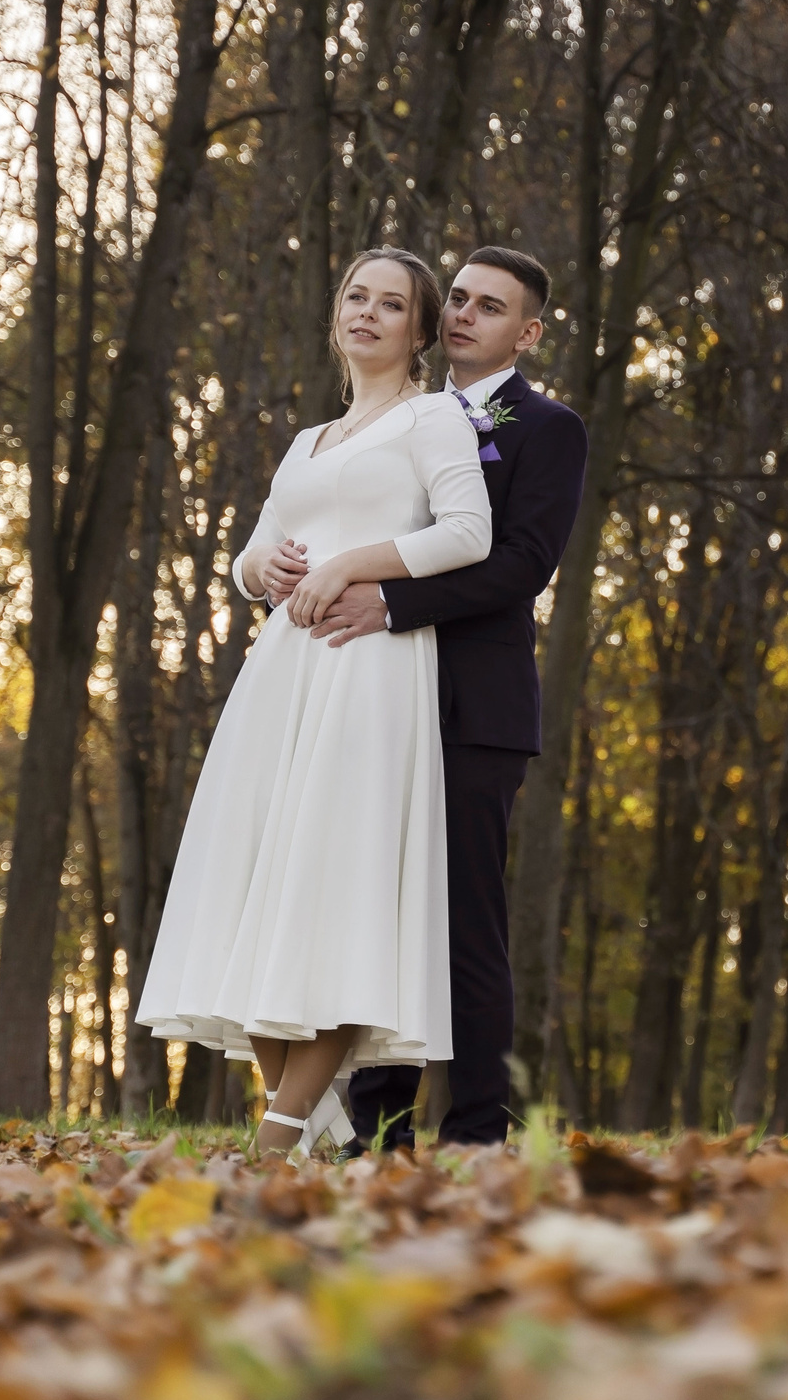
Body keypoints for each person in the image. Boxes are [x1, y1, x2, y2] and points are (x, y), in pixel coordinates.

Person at [134, 249, 492, 1157]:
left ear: (419, 330)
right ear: (337, 315)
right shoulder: (308, 443)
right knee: (257, 884)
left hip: (368, 667)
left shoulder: (433, 419)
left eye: (392, 303)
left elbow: (469, 532)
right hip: (284, 672)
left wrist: (345, 563)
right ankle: (315, 1126)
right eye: (355, 297)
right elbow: (250, 557)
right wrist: (269, 568)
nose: (368, 313)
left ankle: (281, 1136)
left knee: (341, 887)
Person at [309, 247, 588, 1149]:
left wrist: (389, 603)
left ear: (528, 332)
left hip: (474, 706)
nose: (466, 314)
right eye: (458, 298)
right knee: (377, 915)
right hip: (375, 697)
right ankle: (378, 1131)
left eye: (491, 307)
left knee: (466, 921)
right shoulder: (398, 419)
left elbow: (520, 564)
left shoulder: (547, 428)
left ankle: (476, 1130)